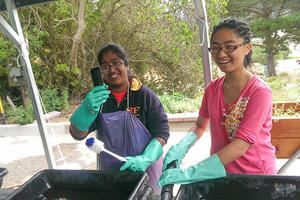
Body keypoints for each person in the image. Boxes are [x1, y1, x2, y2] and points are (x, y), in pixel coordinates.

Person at [159, 18, 277, 187]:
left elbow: (241, 145)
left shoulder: (259, 92)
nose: (221, 54)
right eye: (215, 48)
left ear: (247, 48)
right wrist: (181, 148)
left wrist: (191, 172)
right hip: (221, 173)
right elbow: (200, 125)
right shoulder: (213, 88)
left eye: (230, 47)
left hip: (256, 179)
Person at [69, 42, 170, 195]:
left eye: (116, 63)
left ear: (126, 65)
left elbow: (162, 132)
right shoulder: (99, 99)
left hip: (145, 169)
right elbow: (77, 134)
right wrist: (86, 111)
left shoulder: (144, 95)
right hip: (112, 173)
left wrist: (146, 158)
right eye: (105, 66)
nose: (111, 70)